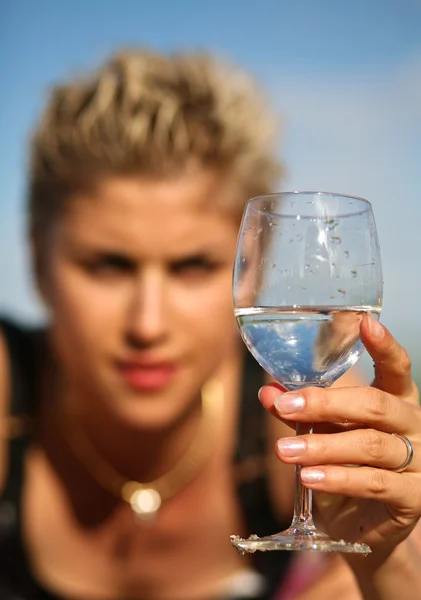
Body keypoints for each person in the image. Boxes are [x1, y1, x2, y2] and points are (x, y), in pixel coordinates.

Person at [0, 47, 419, 600]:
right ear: (36, 260)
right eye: (108, 265)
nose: (148, 325)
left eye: (192, 266)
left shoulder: (308, 423)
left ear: (252, 267)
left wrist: (387, 557)